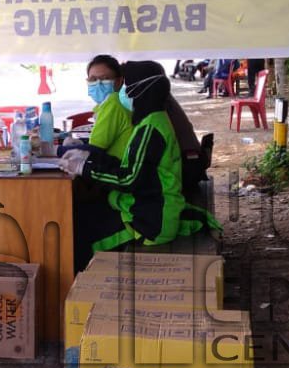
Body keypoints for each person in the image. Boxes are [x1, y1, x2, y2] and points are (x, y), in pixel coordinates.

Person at [60, 61, 218, 269]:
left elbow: (129, 179)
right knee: (83, 214)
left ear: (140, 90)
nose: (122, 93)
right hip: (146, 208)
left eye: (126, 86)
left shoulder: (150, 128)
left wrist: (85, 167)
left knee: (79, 232)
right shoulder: (151, 120)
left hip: (148, 222)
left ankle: (82, 284)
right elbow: (134, 166)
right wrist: (89, 159)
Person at [83, 54, 132, 160]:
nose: (98, 84)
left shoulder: (114, 103)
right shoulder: (110, 104)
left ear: (119, 81)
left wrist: (57, 150)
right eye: (93, 79)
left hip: (118, 167)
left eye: (105, 79)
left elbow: (95, 149)